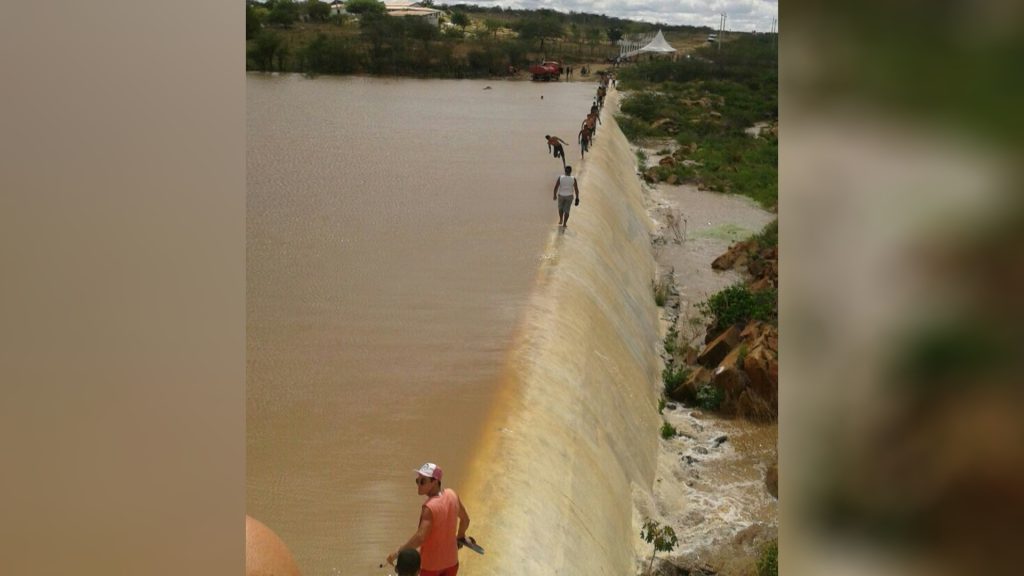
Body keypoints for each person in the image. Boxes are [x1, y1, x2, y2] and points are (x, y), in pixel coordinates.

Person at [387, 463, 470, 576]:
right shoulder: (452, 495)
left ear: (435, 482)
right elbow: (465, 520)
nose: (418, 484)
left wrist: (397, 553)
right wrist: (460, 537)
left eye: (423, 481)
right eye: (417, 480)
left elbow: (420, 538)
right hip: (452, 562)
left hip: (431, 567)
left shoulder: (429, 507)